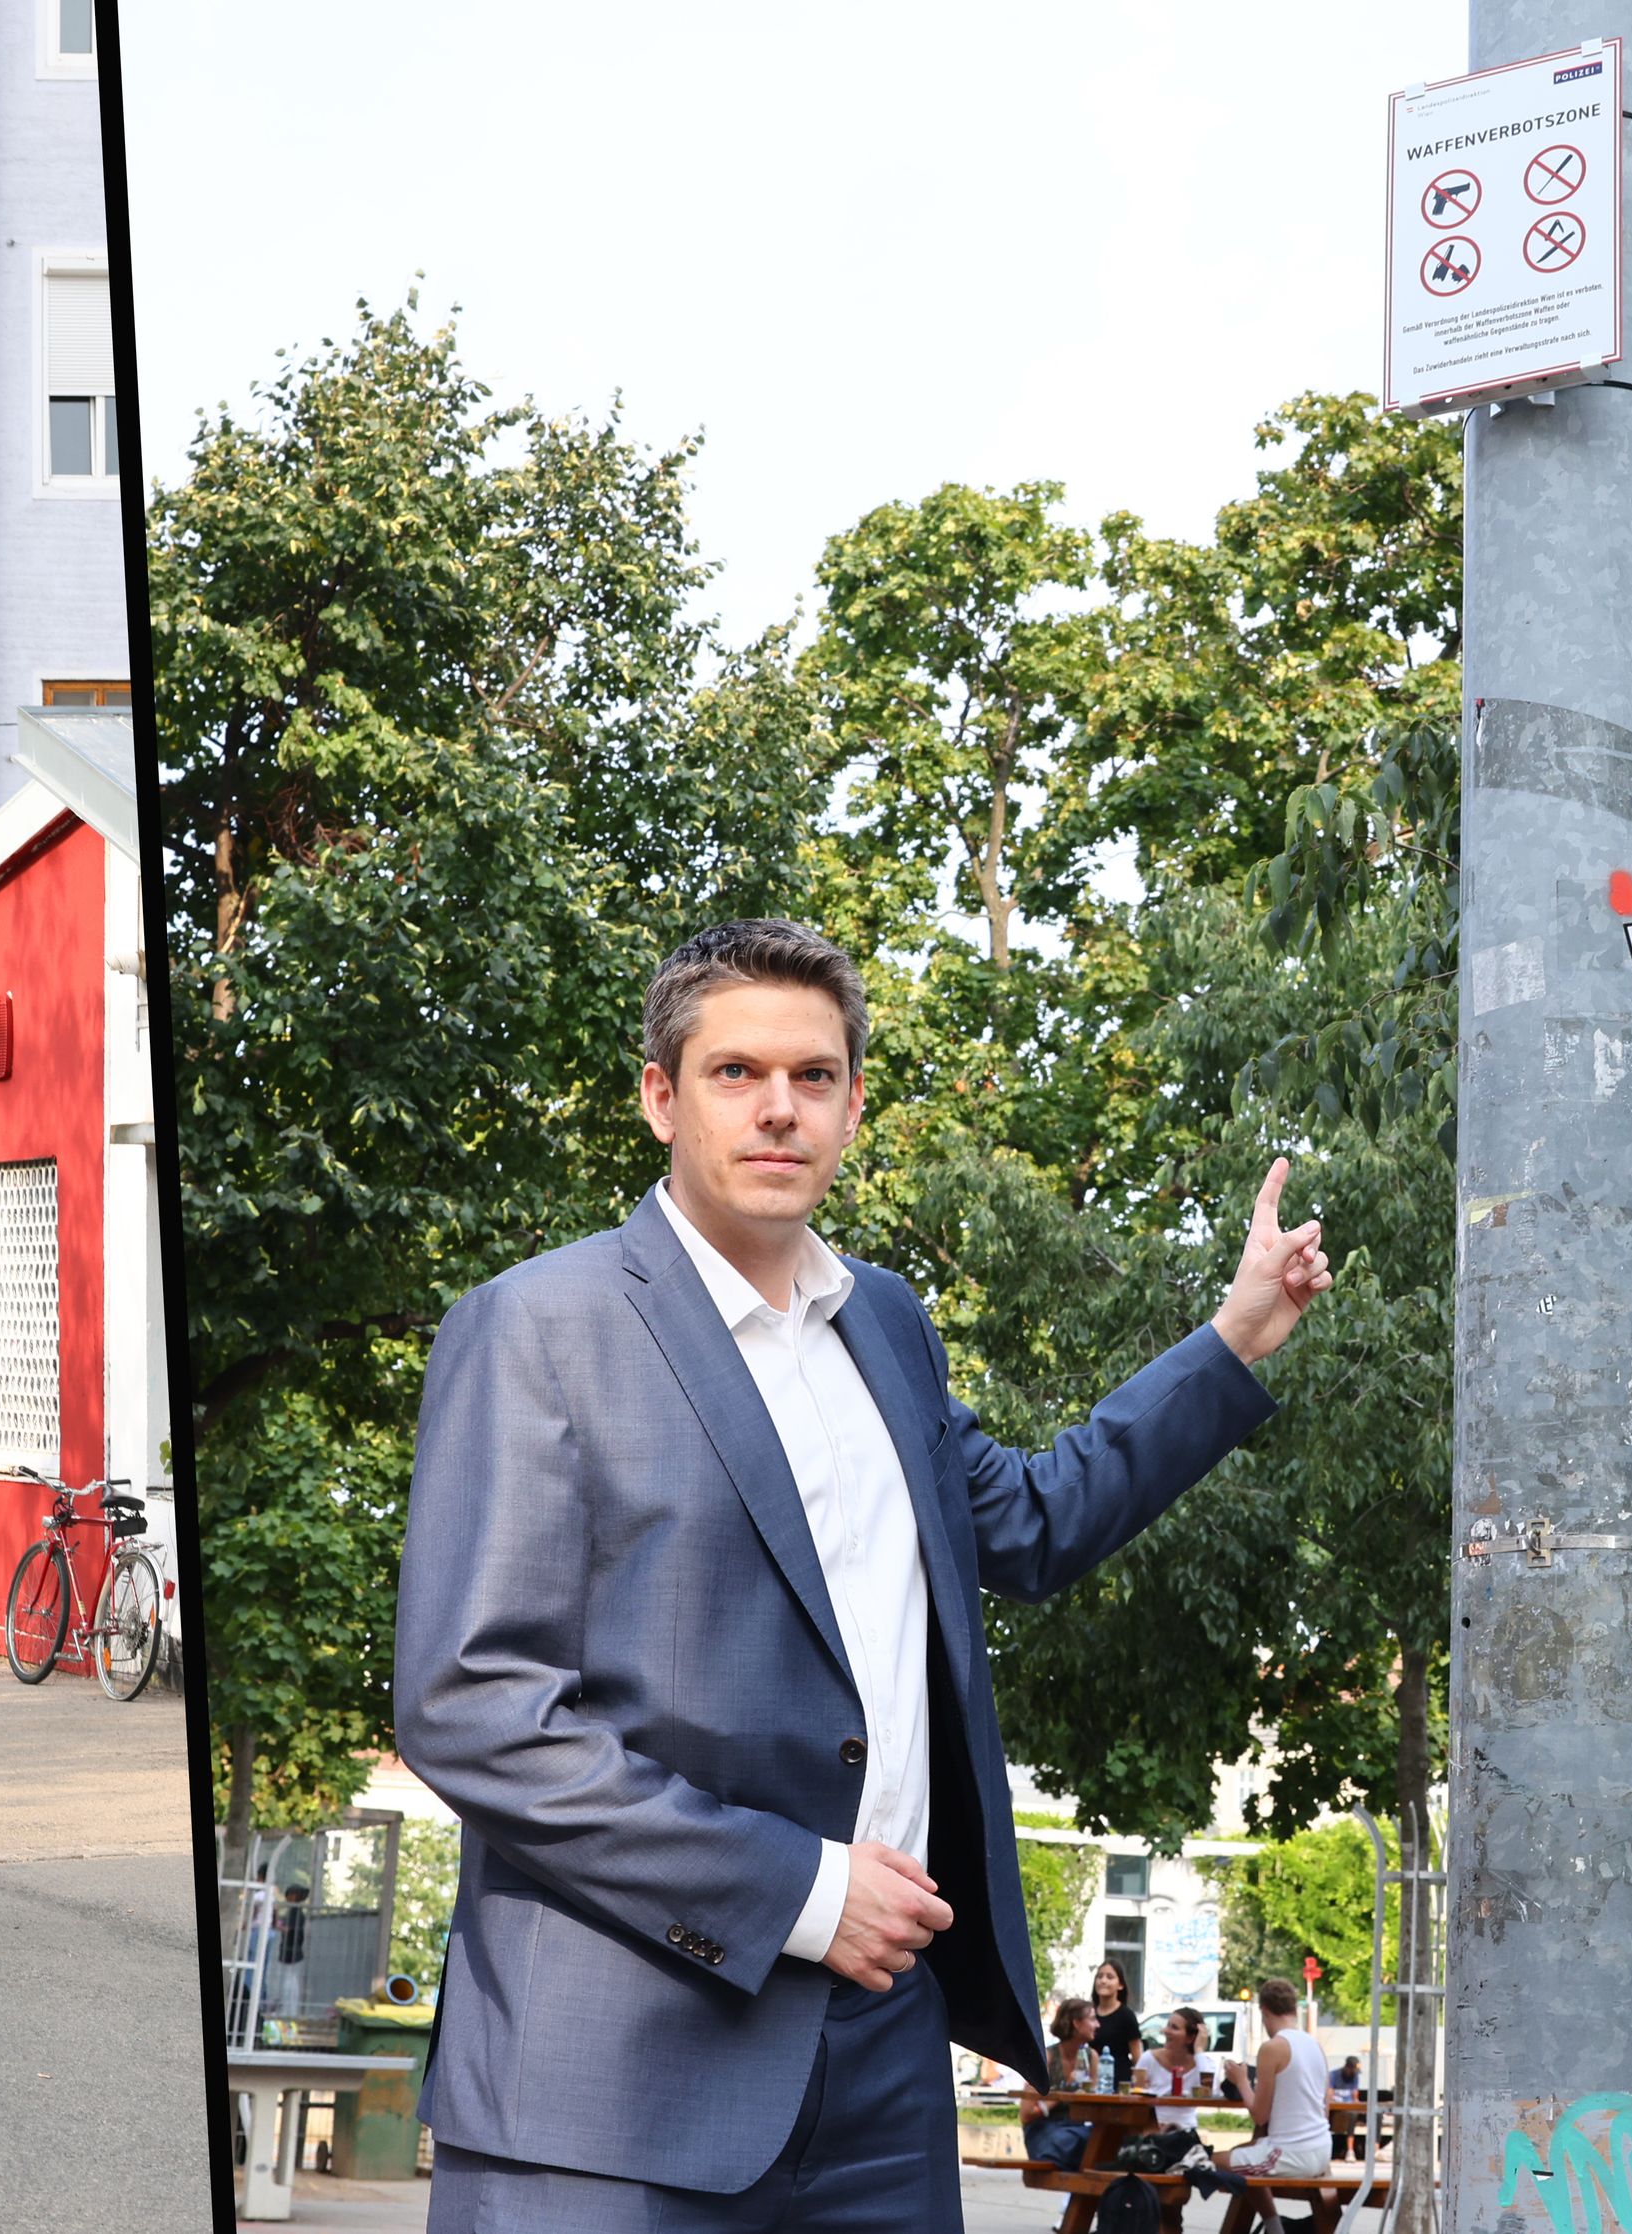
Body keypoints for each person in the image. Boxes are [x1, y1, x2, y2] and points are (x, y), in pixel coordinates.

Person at [387, 918, 1333, 2230]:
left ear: (852, 1104)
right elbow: (473, 1705)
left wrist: (1232, 1337)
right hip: (611, 2085)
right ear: (660, 1095)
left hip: (884, 2066)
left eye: (813, 1075)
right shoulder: (539, 1327)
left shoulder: (884, 1323)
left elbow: (1035, 1521)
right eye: (735, 1071)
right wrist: (804, 1890)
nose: (778, 1106)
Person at [1187, 1979, 1335, 2229]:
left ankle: (1274, 2227)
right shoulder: (1314, 2045)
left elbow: (1259, 2115)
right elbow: (1325, 2104)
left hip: (1291, 2153)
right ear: (1293, 2008)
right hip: (1321, 2149)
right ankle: (1274, 2226)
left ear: (1264, 2011)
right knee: (1245, 2152)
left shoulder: (1272, 2048)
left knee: (1204, 2162)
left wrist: (1241, 2080)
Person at [1020, 1999, 1101, 2171]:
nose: (1098, 2025)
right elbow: (1026, 2114)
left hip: (1077, 2129)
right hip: (1045, 2131)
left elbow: (1095, 2102)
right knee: (1073, 2141)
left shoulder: (1091, 2056)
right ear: (1076, 2023)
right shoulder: (1048, 2058)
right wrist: (1065, 2091)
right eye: (1092, 2019)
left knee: (1104, 2140)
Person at [1135, 2006, 1214, 2126]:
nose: (1165, 2031)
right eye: (1168, 2025)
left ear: (1191, 2038)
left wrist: (1199, 2050)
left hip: (1186, 2129)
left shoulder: (1203, 2063)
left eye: (1174, 2028)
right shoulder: (1149, 2058)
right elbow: (1135, 2094)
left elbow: (1208, 2091)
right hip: (1152, 2128)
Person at [1088, 1960, 1148, 2091]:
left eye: (1110, 1977)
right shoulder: (1088, 2013)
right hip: (1090, 2082)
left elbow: (1138, 2058)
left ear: (1120, 1985)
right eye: (1099, 1976)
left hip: (1119, 2083)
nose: (1103, 1981)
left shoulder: (1126, 2015)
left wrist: (1139, 2088)